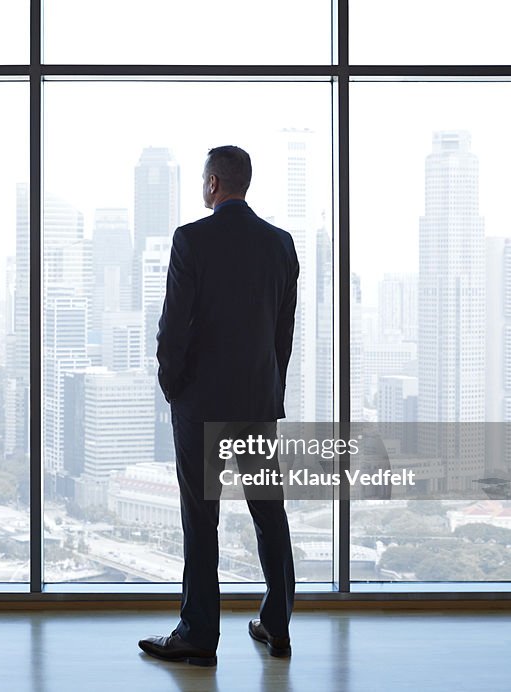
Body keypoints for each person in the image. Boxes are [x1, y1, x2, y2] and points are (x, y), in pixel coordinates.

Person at [138, 145, 299, 667]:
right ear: (244, 185)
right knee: (269, 513)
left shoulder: (192, 239)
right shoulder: (280, 244)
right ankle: (276, 626)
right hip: (256, 400)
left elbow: (173, 325)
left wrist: (173, 385)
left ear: (212, 185)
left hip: (201, 403)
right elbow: (283, 333)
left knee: (200, 519)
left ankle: (199, 634)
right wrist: (269, 389)